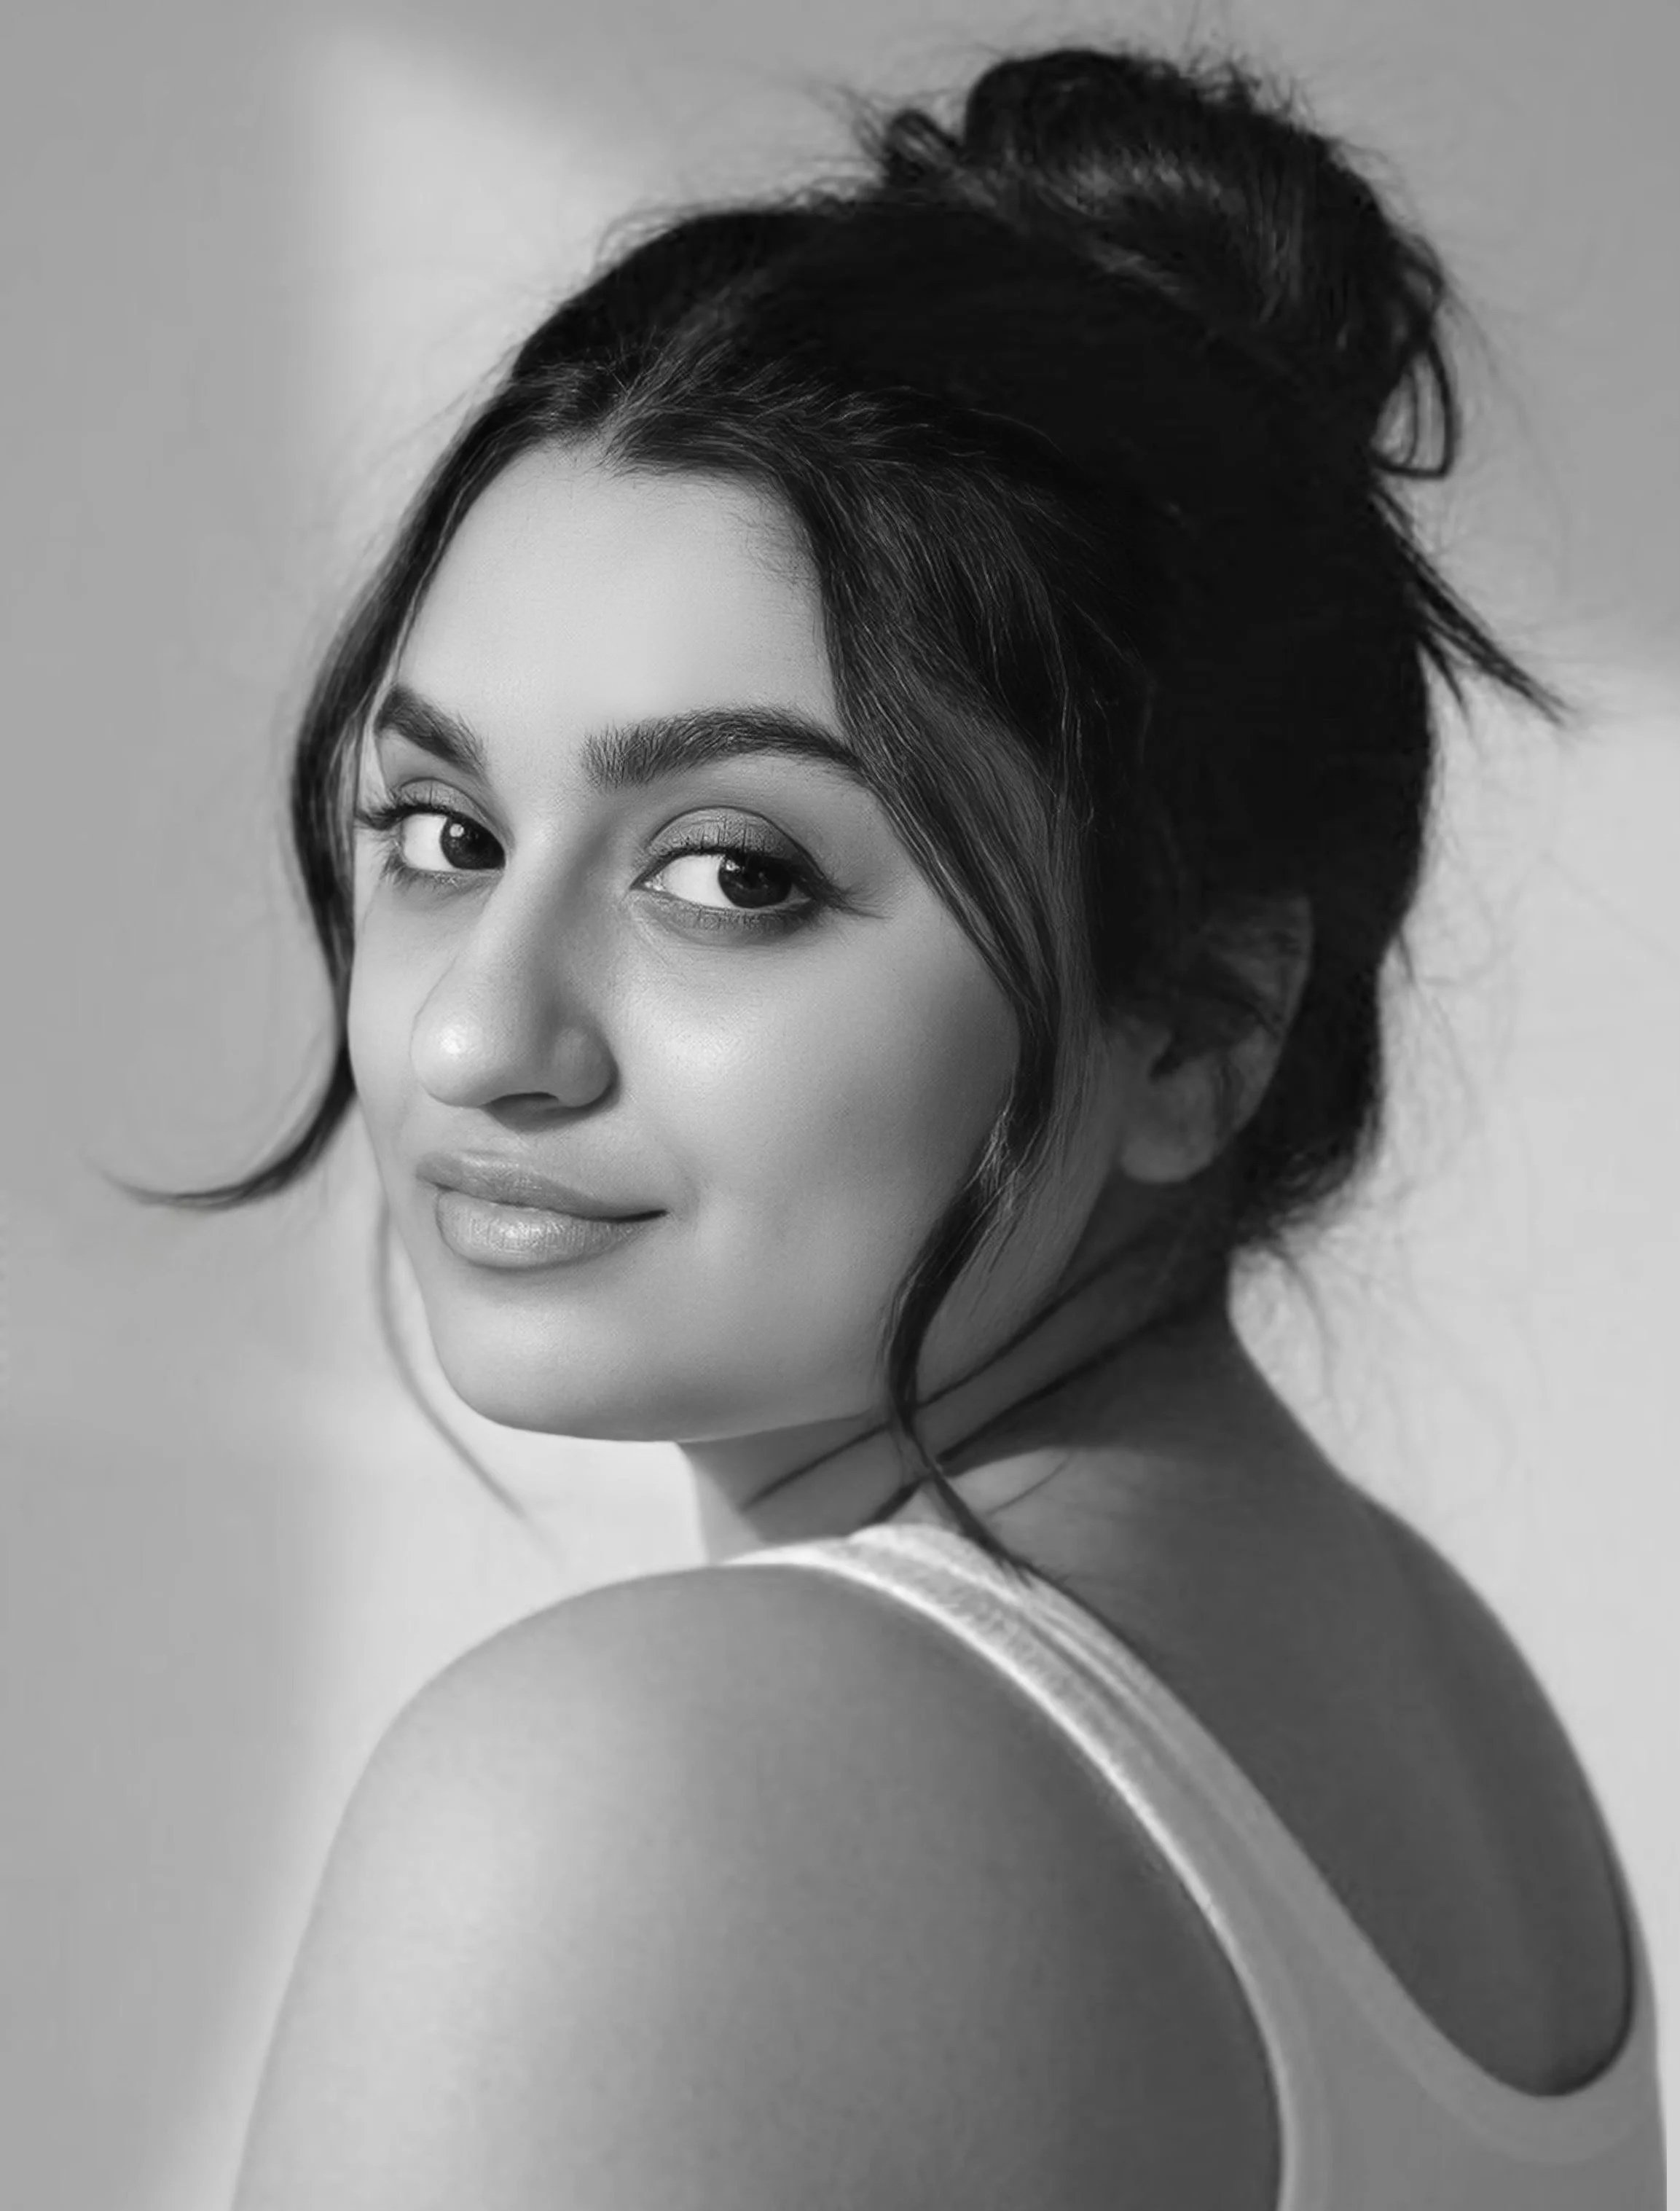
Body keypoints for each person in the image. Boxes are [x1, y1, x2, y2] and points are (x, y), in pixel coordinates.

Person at [141, 36, 1664, 2209]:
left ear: (1199, 1022)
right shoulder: (1438, 1719)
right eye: (445, 829)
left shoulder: (628, 1794)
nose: (478, 1032)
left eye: (730, 873)